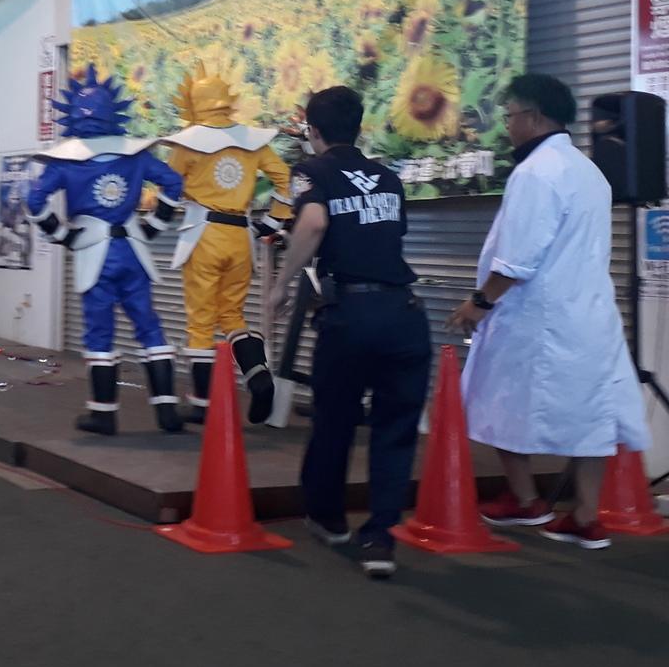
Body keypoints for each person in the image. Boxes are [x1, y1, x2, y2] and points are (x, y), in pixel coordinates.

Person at [449, 73, 650, 549]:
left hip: (535, 315)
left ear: (534, 117)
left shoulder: (535, 173)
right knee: (591, 412)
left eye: (509, 117)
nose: (507, 126)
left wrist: (479, 303)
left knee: (496, 398)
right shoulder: (588, 170)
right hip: (588, 313)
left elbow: (518, 257)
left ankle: (526, 499)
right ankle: (585, 516)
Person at [268, 86, 432, 579]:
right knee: (394, 429)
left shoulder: (311, 171)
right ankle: (380, 538)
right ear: (359, 128)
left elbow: (314, 223)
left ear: (312, 131)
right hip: (404, 312)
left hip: (351, 314)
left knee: (334, 419)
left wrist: (280, 285)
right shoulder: (389, 177)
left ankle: (329, 518)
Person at [27, 64, 184, 435]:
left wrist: (63, 235)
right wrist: (154, 226)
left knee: (99, 333)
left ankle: (103, 414)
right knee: (149, 327)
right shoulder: (136, 156)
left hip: (92, 252)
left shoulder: (65, 160)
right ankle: (166, 411)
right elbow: (174, 183)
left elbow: (34, 201)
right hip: (133, 248)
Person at [164, 61, 293, 424]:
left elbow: (168, 186)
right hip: (240, 237)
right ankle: (258, 375)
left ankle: (202, 404)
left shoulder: (187, 143)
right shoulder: (253, 141)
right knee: (232, 315)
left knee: (201, 322)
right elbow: (285, 179)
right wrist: (272, 221)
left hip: (203, 235)